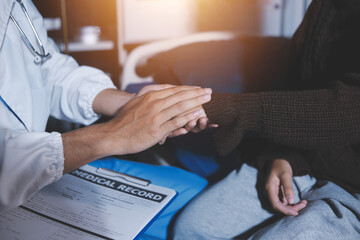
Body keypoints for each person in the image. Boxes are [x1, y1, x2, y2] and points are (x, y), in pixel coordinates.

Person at [0, 0, 213, 212]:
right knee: (195, 218)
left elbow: (47, 69)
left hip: (37, 168)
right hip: (13, 184)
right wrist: (113, 134)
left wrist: (127, 103)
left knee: (193, 192)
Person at [173, 0, 360, 239]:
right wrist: (283, 154)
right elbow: (300, 89)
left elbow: (349, 108)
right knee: (194, 228)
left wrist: (230, 108)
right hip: (311, 162)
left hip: (354, 189)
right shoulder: (322, 9)